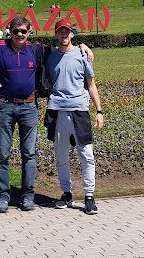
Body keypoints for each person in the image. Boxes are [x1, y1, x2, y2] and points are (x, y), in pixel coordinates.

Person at [0, 16, 94, 214]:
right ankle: (3, 196)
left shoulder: (35, 49)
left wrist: (83, 46)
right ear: (10, 31)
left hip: (28, 106)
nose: (19, 34)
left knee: (29, 154)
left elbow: (63, 48)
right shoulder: (0, 46)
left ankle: (28, 195)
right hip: (4, 106)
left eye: (23, 31)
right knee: (2, 152)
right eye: (16, 31)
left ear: (29, 32)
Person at [45, 18, 104, 215]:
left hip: (79, 110)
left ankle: (89, 197)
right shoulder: (50, 57)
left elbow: (91, 84)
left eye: (67, 32)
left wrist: (99, 111)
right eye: (60, 31)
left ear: (72, 34)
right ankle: (66, 193)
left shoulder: (82, 55)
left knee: (86, 154)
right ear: (56, 34)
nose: (64, 35)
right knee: (61, 155)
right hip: (57, 110)